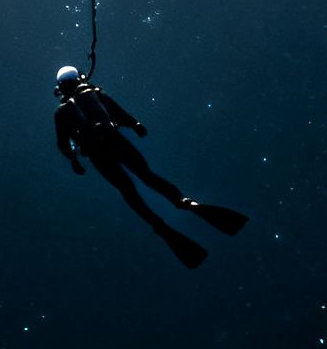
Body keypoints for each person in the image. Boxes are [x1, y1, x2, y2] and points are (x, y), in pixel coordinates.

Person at [52, 65, 249, 268]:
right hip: (115, 142)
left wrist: (74, 159)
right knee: (146, 176)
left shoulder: (62, 112)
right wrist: (135, 124)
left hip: (98, 154)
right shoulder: (92, 95)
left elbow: (63, 143)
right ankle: (184, 202)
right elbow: (118, 113)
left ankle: (159, 223)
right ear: (78, 79)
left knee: (127, 189)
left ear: (60, 87)